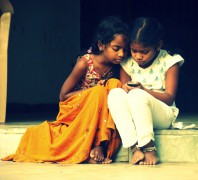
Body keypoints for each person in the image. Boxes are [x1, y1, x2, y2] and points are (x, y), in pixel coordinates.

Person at [2, 16, 129, 164]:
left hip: (101, 111)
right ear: (101, 45)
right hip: (76, 108)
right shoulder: (85, 63)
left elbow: (124, 91)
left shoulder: (118, 66)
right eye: (116, 48)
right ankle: (92, 147)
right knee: (99, 92)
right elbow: (63, 95)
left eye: (125, 50)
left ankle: (100, 145)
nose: (121, 54)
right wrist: (93, 92)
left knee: (113, 85)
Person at [108, 17, 184, 165]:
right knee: (115, 93)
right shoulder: (128, 62)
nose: (138, 56)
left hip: (163, 113)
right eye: (133, 50)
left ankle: (149, 148)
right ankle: (134, 146)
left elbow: (169, 98)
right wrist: (125, 88)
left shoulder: (170, 60)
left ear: (158, 45)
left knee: (137, 95)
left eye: (144, 51)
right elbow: (125, 91)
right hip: (136, 109)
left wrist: (143, 91)